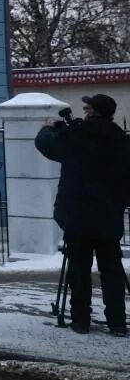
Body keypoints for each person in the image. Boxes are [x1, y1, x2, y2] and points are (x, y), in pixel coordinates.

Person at [35, 93, 130, 336]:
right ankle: (117, 323)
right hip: (109, 215)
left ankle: (80, 321)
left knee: (78, 269)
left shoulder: (76, 135)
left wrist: (48, 128)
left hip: (77, 215)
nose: (84, 111)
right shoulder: (121, 139)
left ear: (92, 112)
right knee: (112, 269)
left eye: (87, 108)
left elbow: (47, 146)